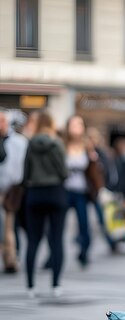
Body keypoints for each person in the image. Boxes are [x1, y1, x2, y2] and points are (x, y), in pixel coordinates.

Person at [22, 111, 68, 298]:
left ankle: (31, 286)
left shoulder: (30, 144)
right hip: (55, 192)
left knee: (33, 240)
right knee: (56, 239)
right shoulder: (56, 143)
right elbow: (63, 171)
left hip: (35, 193)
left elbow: (25, 171)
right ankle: (56, 284)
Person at [63, 115, 101, 267]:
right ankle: (52, 257)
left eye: (79, 125)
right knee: (57, 225)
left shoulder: (87, 145)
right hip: (65, 190)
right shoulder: (63, 144)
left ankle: (84, 252)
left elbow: (94, 168)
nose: (77, 128)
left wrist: (93, 159)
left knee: (84, 223)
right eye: (74, 125)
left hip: (82, 191)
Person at [0, 109, 29, 273]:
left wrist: (20, 185)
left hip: (10, 189)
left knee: (8, 226)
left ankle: (10, 258)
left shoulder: (18, 142)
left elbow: (22, 165)